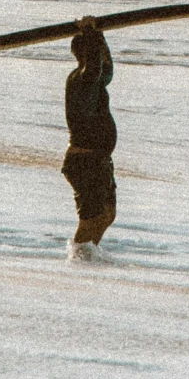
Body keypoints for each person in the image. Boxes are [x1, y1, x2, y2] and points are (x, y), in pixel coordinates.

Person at [60, 16, 117, 255]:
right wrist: (90, 34)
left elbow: (106, 69)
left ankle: (87, 253)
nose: (103, 59)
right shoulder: (80, 81)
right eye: (98, 52)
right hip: (84, 162)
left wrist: (100, 37)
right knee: (91, 217)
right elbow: (95, 67)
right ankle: (78, 259)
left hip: (98, 160)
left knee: (107, 214)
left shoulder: (95, 82)